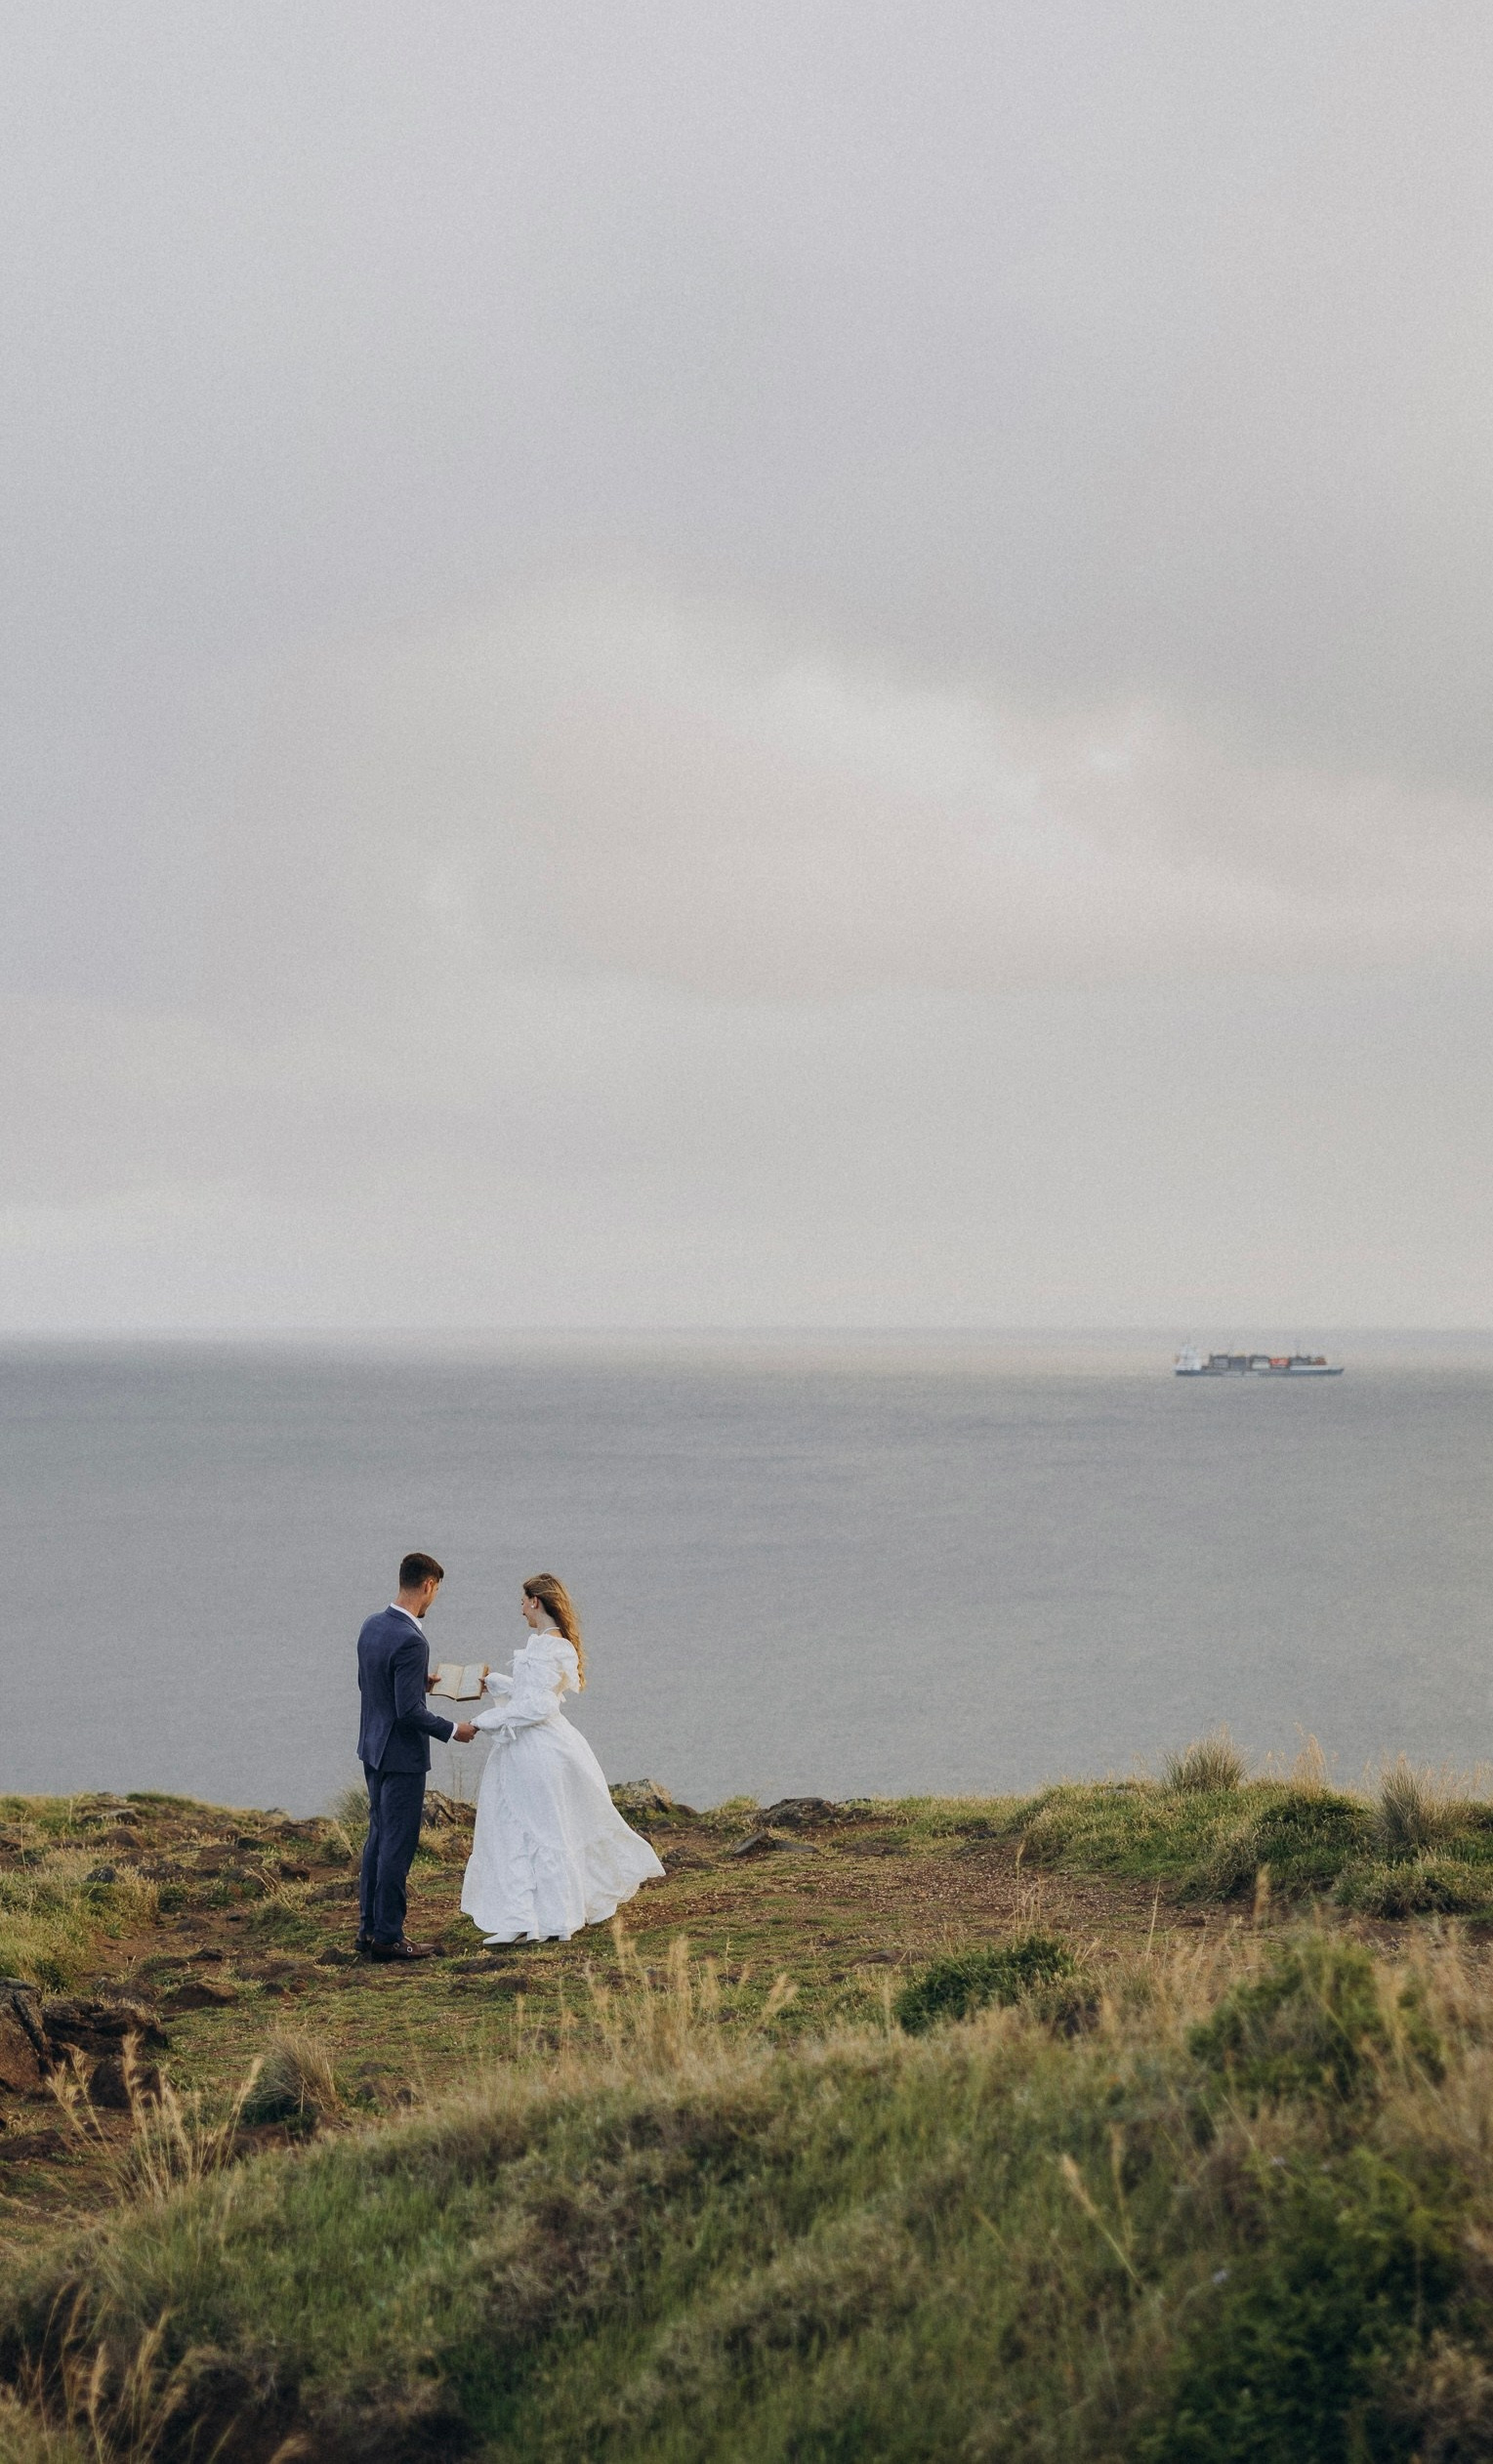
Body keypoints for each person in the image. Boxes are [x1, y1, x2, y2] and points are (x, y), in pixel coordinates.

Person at [460, 1572, 664, 1943]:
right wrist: (493, 1683)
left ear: (535, 1601)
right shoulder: (541, 1644)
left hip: (539, 1750)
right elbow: (529, 1692)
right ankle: (523, 1917)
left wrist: (483, 1721)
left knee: (541, 1829)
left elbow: (539, 1705)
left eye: (523, 1601)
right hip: (525, 1748)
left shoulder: (553, 1647)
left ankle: (551, 1919)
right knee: (515, 1828)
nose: (521, 1609)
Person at [355, 1551, 477, 1962]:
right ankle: (389, 1937)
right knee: (397, 1845)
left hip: (372, 1748)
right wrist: (452, 1730)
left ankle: (368, 1930)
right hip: (402, 1757)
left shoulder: (372, 1626)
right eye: (436, 1591)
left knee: (376, 1838)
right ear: (428, 1585)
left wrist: (414, 1683)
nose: (434, 1598)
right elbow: (408, 1713)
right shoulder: (411, 1638)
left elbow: (369, 1684)